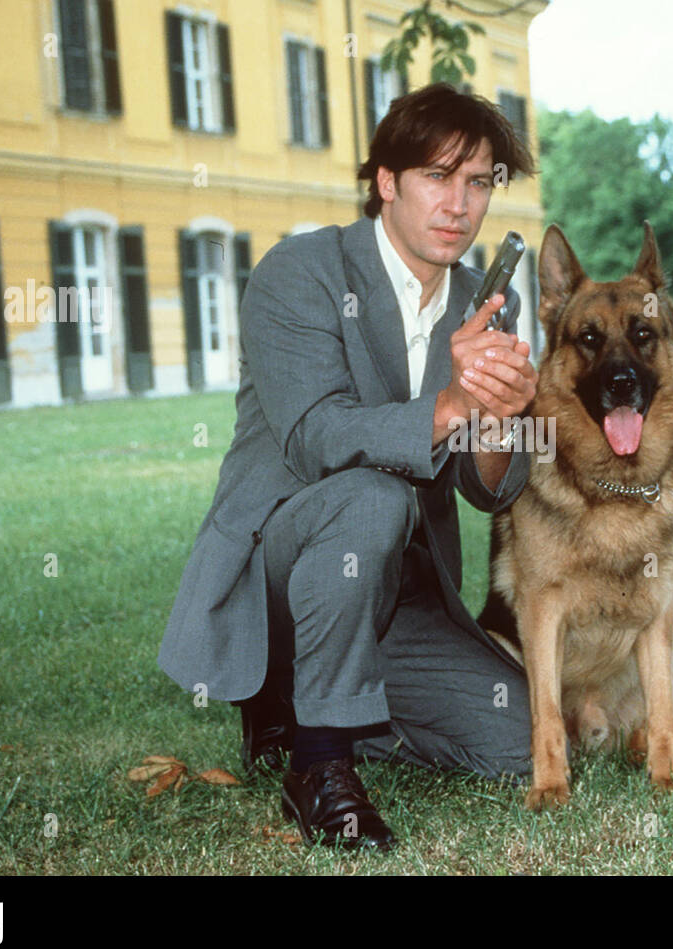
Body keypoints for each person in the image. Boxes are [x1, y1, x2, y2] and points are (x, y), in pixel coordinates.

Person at [157, 83, 539, 851]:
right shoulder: (297, 273)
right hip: (282, 560)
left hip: (395, 587)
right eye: (438, 176)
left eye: (479, 183)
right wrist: (453, 400)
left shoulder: (481, 300)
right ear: (386, 182)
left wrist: (499, 414)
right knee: (370, 497)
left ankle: (304, 701)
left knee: (520, 740)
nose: (459, 205)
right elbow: (317, 438)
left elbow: (481, 484)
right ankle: (321, 764)